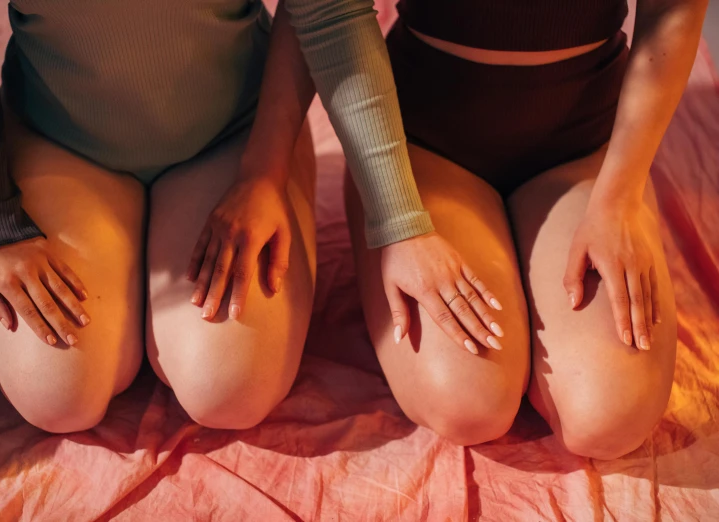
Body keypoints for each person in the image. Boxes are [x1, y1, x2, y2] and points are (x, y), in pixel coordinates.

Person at [283, 0, 707, 459]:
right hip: (424, 145)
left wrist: (619, 199)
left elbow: (672, 9)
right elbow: (327, 10)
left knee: (608, 421)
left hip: (587, 150)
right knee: (467, 405)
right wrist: (397, 219)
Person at [0, 0, 370, 432]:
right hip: (57, 139)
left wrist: (265, 175)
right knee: (55, 395)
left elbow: (321, 8)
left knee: (231, 389)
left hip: (234, 135)